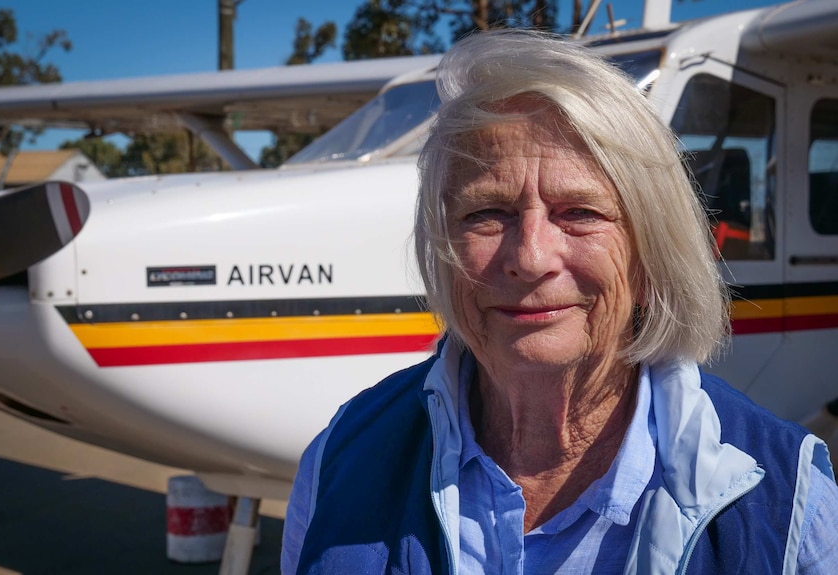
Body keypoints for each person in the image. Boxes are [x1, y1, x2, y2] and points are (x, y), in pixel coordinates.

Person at [281, 31, 838, 574]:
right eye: (485, 213)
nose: (530, 255)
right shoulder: (338, 459)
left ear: (649, 256)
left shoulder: (789, 501)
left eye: (580, 212)